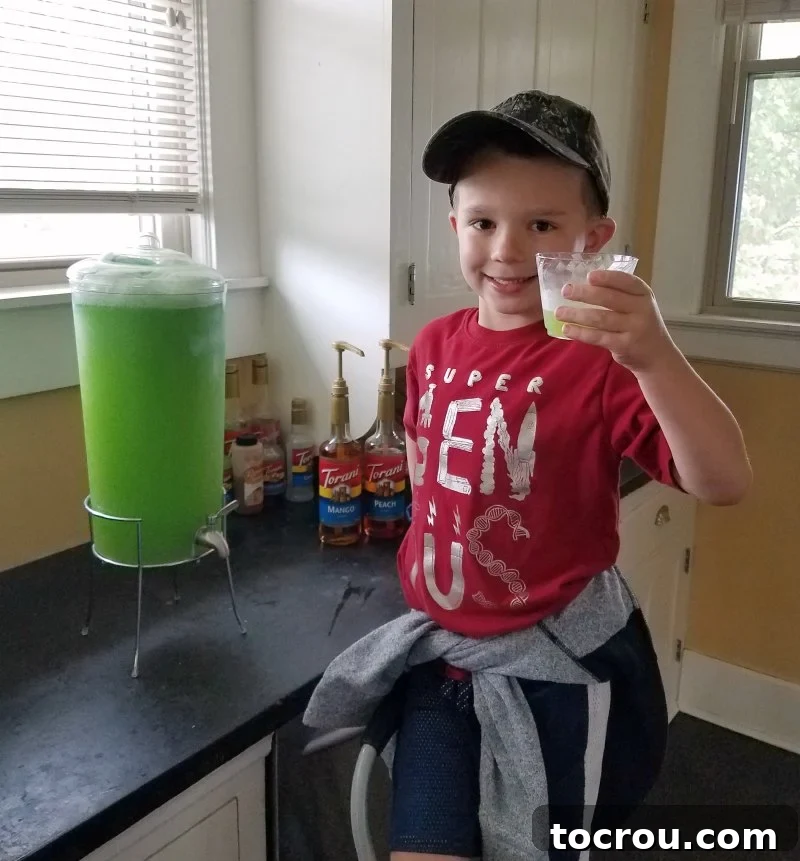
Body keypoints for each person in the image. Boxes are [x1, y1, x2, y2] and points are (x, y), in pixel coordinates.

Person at [303, 90, 751, 861]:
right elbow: (424, 461)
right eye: (483, 221)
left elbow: (723, 479)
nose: (506, 250)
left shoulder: (603, 361)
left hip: (556, 667)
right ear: (456, 227)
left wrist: (654, 355)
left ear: (593, 238)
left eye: (541, 224)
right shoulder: (436, 344)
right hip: (442, 659)